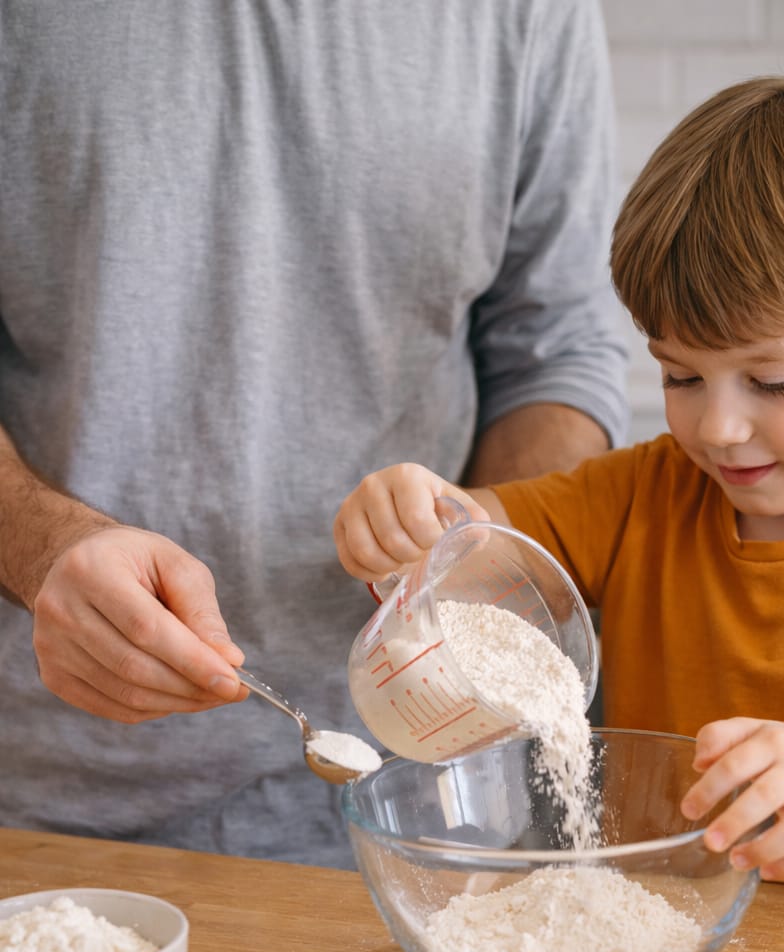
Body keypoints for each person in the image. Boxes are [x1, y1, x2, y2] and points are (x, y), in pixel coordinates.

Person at [0, 6, 626, 952]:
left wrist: (484, 538)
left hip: (426, 825)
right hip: (61, 835)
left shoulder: (522, 16)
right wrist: (42, 546)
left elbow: (563, 338)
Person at [335, 74, 784, 894]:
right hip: (654, 934)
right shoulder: (647, 492)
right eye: (681, 376)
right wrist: (410, 512)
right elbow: (476, 539)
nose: (717, 428)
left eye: (771, 382)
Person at [0, 0, 628, 871]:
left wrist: (481, 557)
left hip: (440, 795)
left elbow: (555, 349)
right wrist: (38, 545)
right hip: (57, 799)